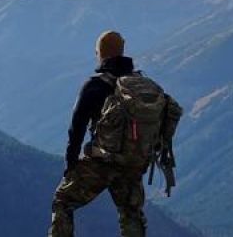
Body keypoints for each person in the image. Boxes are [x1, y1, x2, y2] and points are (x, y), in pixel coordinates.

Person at [48, 30, 183, 237]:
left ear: (100, 53)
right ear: (122, 52)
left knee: (63, 201)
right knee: (131, 214)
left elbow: (77, 128)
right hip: (133, 163)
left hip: (102, 162)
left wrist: (71, 166)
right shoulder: (141, 85)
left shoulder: (95, 85)